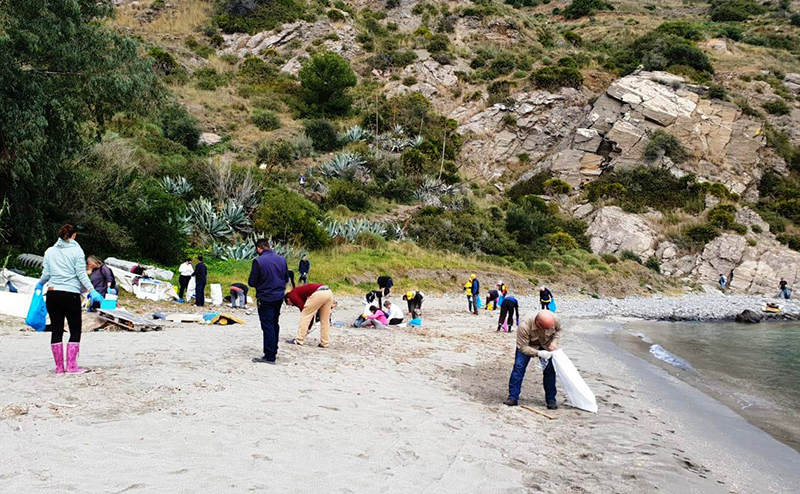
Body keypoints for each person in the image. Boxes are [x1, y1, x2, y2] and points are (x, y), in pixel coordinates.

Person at [37, 223, 104, 374]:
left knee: (56, 329)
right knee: (74, 330)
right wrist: (92, 290)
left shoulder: (49, 251)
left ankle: (59, 367)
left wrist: (39, 284)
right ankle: (72, 367)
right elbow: (81, 274)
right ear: (74, 235)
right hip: (70, 294)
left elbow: (46, 274)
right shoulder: (77, 251)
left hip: (53, 294)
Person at [504, 310, 562, 410]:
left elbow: (559, 330)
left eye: (549, 328)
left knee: (550, 370)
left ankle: (551, 400)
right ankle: (513, 397)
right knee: (519, 367)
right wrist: (539, 353)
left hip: (546, 345)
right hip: (528, 345)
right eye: (545, 328)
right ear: (538, 323)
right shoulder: (524, 326)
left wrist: (554, 342)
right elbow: (523, 347)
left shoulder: (554, 319)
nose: (548, 329)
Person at [249, 239, 289, 364]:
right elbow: (286, 278)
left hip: (265, 296)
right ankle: (274, 349)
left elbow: (252, 282)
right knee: (275, 323)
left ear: (259, 248)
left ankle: (269, 355)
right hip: (278, 296)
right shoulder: (281, 259)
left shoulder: (258, 261)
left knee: (267, 325)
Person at [284, 283, 334, 347]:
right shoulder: (300, 293)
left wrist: (307, 330)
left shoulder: (291, 295)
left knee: (305, 316)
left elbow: (305, 312)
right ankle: (325, 343)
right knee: (325, 320)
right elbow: (311, 315)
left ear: (288, 300)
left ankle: (299, 340)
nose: (292, 305)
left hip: (319, 293)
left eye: (289, 304)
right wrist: (309, 327)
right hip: (328, 292)